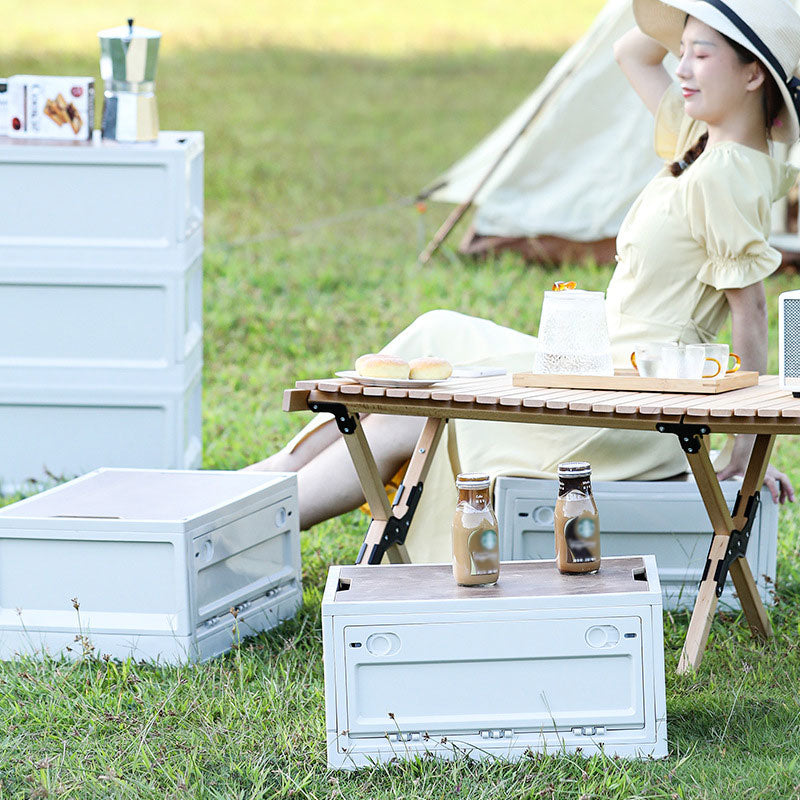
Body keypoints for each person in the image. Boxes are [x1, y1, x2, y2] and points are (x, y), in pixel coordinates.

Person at [249, 0, 799, 562]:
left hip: (630, 406)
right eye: (680, 51)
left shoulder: (724, 172)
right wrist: (696, 19)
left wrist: (745, 451)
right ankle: (268, 482)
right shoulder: (703, 140)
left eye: (700, 55)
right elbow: (630, 50)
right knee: (435, 338)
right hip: (604, 369)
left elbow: (751, 311)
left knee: (411, 410)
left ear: (753, 74)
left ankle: (257, 512)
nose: (680, 68)